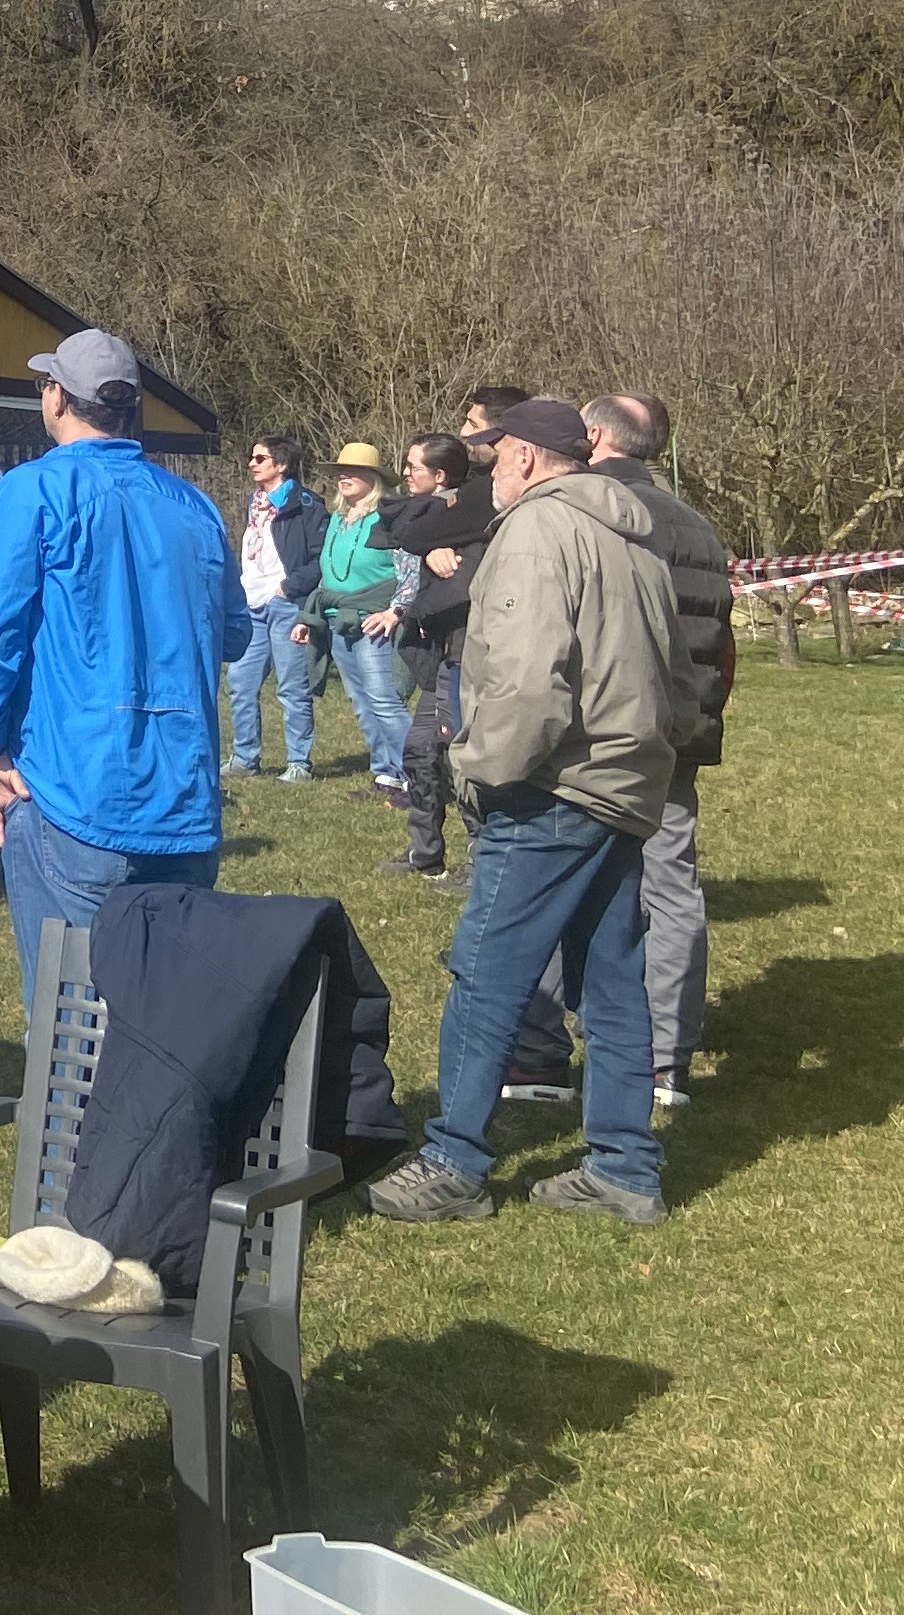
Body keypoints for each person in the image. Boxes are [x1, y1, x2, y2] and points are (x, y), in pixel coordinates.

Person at [368, 397, 698, 1230]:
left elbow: (526, 681)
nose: (489, 468)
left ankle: (454, 1161)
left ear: (525, 457)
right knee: (613, 982)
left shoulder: (537, 531)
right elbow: (680, 672)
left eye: (496, 453)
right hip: (625, 783)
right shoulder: (638, 535)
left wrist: (480, 772)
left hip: (552, 785)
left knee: (486, 973)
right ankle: (624, 1167)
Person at [0, 330, 246, 1017]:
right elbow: (233, 631)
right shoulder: (193, 506)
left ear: (57, 398)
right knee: (168, 1027)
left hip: (73, 792)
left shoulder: (32, 491)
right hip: (184, 800)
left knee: (70, 1029)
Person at [588, 393, 733, 1109]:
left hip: (605, 732)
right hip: (681, 729)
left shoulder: (591, 512)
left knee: (577, 879)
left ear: (594, 437)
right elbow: (722, 643)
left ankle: (552, 1042)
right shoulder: (699, 525)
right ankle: (667, 1058)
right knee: (672, 889)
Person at [372, 431, 495, 879]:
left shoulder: (473, 508)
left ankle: (482, 861)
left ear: (440, 476)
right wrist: (430, 547)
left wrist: (437, 543)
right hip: (440, 653)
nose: (405, 473)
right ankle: (424, 854)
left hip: (467, 653)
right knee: (421, 752)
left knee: (462, 759)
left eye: (414, 467)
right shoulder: (432, 515)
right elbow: (393, 528)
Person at [298, 442, 414, 798]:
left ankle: (420, 777)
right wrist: (309, 618)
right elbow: (328, 574)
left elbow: (410, 570)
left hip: (372, 619)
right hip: (338, 620)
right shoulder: (337, 519)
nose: (343, 477)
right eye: (340, 472)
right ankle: (386, 774)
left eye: (353, 472)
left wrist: (395, 610)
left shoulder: (389, 518)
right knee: (363, 704)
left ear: (373, 479)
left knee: (384, 700)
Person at [224, 435, 324, 783]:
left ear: (281, 465)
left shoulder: (305, 505)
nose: (251, 464)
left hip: (285, 604)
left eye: (260, 458)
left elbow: (319, 559)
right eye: (251, 457)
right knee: (240, 682)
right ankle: (244, 758)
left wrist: (289, 587)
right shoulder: (254, 503)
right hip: (251, 604)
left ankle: (299, 763)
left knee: (292, 687)